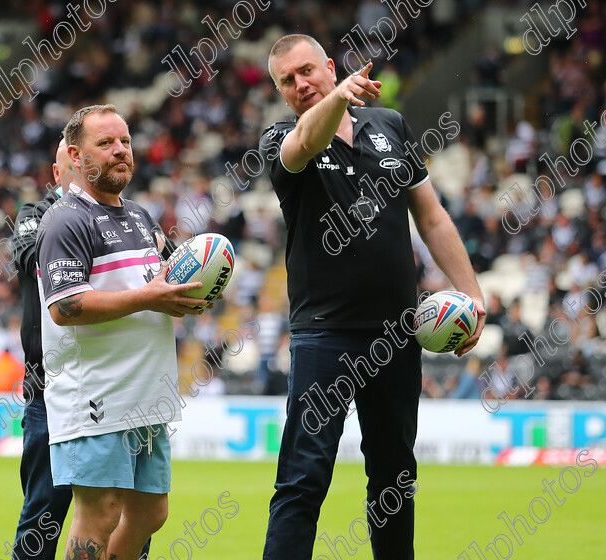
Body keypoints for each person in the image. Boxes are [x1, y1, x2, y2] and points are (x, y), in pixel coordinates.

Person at [258, 35, 486, 560]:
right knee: (302, 479)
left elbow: (430, 215)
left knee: (393, 480)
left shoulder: (390, 126)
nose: (300, 85)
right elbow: (305, 145)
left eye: (307, 71)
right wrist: (337, 97)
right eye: (287, 81)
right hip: (324, 336)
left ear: (329, 66)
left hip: (395, 337)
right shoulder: (279, 139)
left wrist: (472, 295)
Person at [35, 105, 208, 560]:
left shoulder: (140, 217)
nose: (120, 151)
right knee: (100, 514)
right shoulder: (66, 219)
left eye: (125, 142)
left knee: (151, 513)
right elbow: (66, 306)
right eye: (105, 143)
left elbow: (159, 289)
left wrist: (194, 293)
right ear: (76, 154)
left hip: (145, 397)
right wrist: (151, 299)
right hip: (95, 396)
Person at [10, 139, 74, 560]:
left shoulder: (130, 219)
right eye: (76, 156)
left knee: (124, 517)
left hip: (113, 388)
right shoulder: (33, 215)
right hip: (48, 390)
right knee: (43, 515)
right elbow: (30, 255)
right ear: (57, 171)